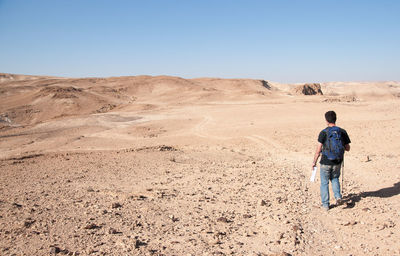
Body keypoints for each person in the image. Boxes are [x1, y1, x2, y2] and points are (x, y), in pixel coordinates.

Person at [312, 111, 351, 211]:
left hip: (325, 161)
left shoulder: (324, 132)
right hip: (338, 161)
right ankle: (338, 197)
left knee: (324, 183)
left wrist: (314, 162)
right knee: (335, 179)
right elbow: (348, 148)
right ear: (335, 119)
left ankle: (325, 205)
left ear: (326, 120)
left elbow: (318, 150)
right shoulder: (342, 132)